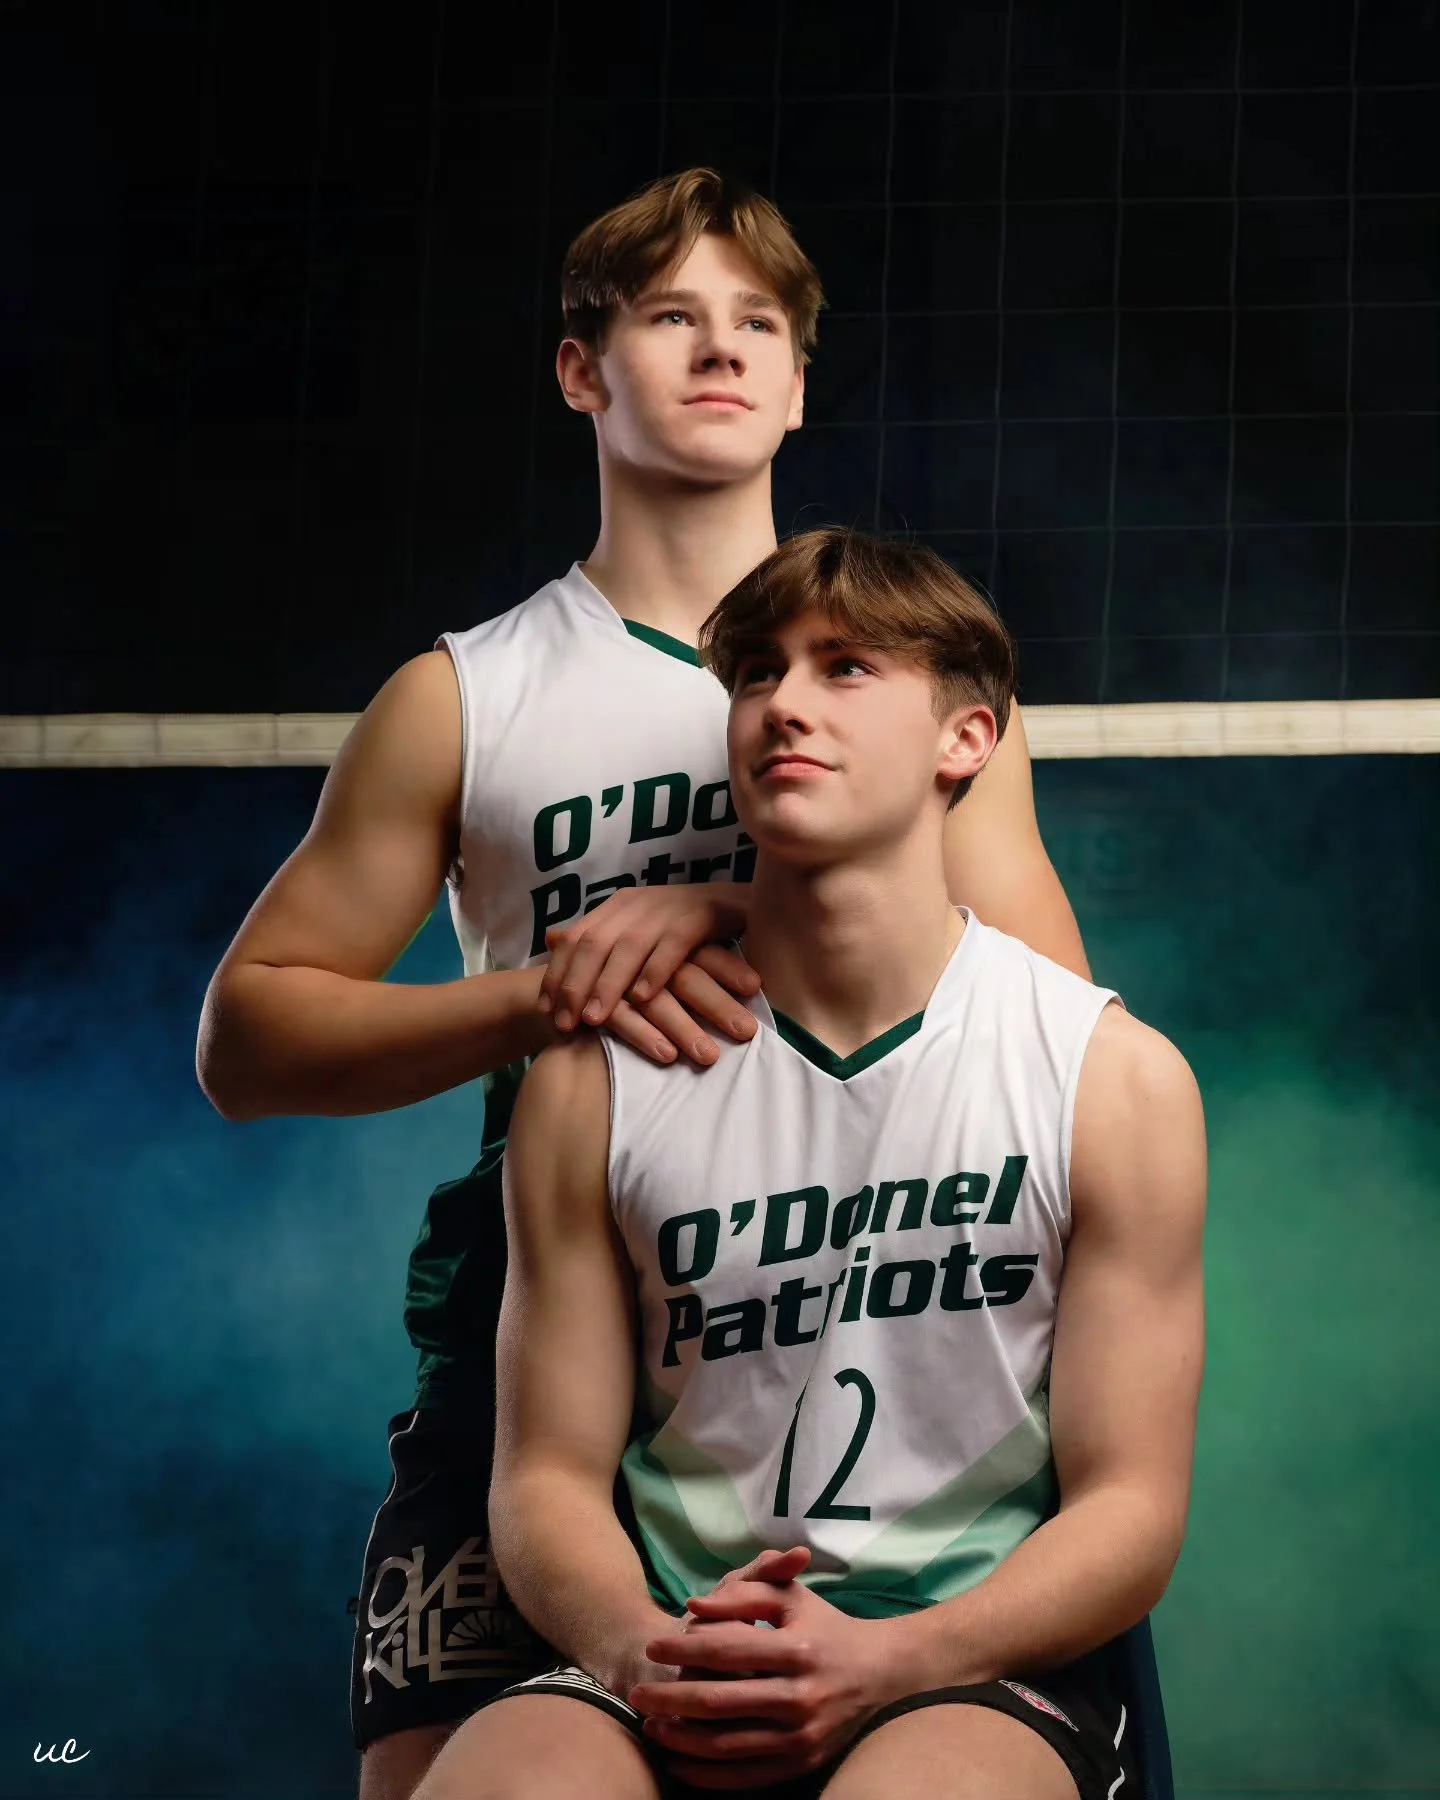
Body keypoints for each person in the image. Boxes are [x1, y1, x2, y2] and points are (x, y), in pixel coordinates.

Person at [195, 172, 1090, 1800]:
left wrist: (731, 905)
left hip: (867, 1297)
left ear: (804, 382)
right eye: (670, 315)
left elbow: (1051, 1022)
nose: (721, 350)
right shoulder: (468, 694)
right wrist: (549, 998)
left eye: (760, 323)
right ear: (580, 369)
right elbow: (249, 1038)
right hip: (551, 1297)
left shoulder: (909, 674)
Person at [416, 530, 1208, 1800]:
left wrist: (894, 1658)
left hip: (962, 1649)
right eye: (756, 675)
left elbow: (1131, 1512)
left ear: (969, 741)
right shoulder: (594, 1084)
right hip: (678, 1636)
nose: (783, 701)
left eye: (845, 669)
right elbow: (549, 1474)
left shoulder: (1110, 1080)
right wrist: (642, 1649)